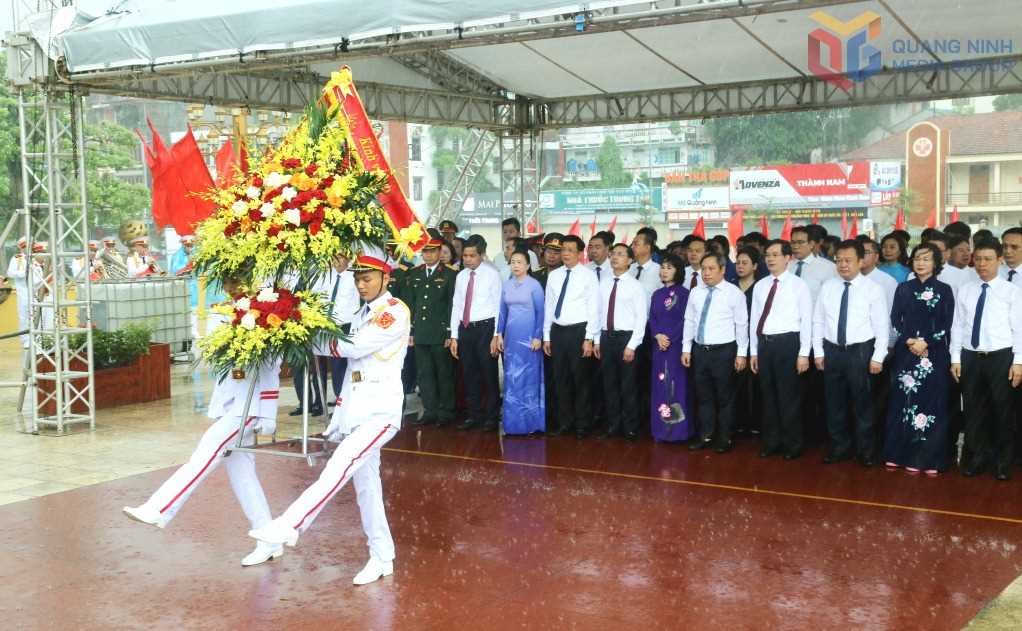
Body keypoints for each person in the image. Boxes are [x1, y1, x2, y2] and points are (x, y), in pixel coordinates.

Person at [250, 248, 410, 585]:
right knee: (367, 488)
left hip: (381, 411)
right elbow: (352, 366)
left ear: (386, 278)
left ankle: (291, 524)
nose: (361, 285)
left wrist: (304, 339)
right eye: (358, 279)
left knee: (340, 465)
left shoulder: (393, 311)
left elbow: (353, 347)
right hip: (359, 411)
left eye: (367, 278)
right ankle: (382, 555)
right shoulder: (363, 312)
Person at [123, 277, 284, 567]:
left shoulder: (266, 314)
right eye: (229, 282)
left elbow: (271, 366)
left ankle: (159, 508)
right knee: (243, 476)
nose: (233, 287)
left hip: (250, 406)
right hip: (231, 404)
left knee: (206, 450)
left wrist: (269, 412)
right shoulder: (223, 312)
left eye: (239, 280)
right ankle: (268, 538)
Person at [813, 240, 889, 467]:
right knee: (834, 404)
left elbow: (882, 326)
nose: (843, 265)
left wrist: (878, 357)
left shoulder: (873, 289)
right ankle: (839, 448)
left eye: (848, 260)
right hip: (832, 351)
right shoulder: (828, 287)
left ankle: (866, 451)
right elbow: (818, 320)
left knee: (863, 404)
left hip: (860, 351)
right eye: (839, 260)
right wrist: (818, 352)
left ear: (861, 261)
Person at [951, 240, 1022, 481]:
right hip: (971, 356)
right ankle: (978, 458)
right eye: (978, 259)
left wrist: (1018, 362)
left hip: (1001, 357)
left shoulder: (1012, 292)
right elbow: (958, 326)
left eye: (988, 259)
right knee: (973, 410)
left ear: (999, 260)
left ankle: (1003, 462)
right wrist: (956, 358)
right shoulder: (966, 290)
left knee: (1003, 411)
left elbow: (1019, 329)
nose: (982, 264)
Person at [882, 242, 955, 476]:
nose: (920, 263)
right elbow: (895, 319)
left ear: (936, 263)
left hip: (934, 355)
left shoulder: (944, 290)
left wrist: (927, 342)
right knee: (903, 402)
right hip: (906, 353)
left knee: (930, 402)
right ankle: (898, 455)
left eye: (926, 259)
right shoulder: (903, 288)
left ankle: (928, 459)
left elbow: (947, 323)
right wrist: (910, 341)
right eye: (917, 258)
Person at [750, 240, 813, 460]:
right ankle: (771, 442)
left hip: (788, 343)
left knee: (789, 397)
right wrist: (754, 351)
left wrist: (804, 353)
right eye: (768, 255)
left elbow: (806, 320)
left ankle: (792, 444)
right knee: (768, 396)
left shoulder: (798, 285)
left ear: (788, 258)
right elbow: (754, 319)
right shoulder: (760, 285)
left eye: (775, 255)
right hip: (765, 344)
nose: (770, 259)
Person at [682, 252, 749, 453]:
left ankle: (725, 437)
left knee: (725, 397)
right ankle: (706, 435)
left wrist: (741, 353)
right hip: (700, 350)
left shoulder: (734, 293)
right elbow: (689, 321)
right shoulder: (695, 292)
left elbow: (741, 325)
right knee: (704, 396)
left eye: (711, 269)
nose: (707, 273)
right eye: (704, 269)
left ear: (723, 270)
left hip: (724, 351)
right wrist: (686, 348)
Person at [543, 235, 599, 438]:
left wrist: (589, 337)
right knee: (560, 379)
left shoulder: (588, 276)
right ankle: (565, 422)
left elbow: (594, 308)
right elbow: (549, 306)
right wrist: (547, 335)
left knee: (581, 380)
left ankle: (582, 424)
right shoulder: (554, 276)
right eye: (563, 250)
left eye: (570, 250)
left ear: (579, 253)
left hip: (579, 332)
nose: (565, 254)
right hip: (558, 331)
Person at [593, 243, 647, 441]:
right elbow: (597, 313)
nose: (615, 257)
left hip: (627, 339)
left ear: (630, 260)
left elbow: (641, 318)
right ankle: (613, 425)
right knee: (609, 384)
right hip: (606, 337)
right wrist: (596, 340)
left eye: (621, 254)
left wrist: (632, 345)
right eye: (613, 254)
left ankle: (630, 427)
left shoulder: (635, 286)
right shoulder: (604, 283)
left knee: (628, 385)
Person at [450, 235, 502, 431]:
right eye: (465, 256)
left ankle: (491, 416)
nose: (468, 259)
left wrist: (496, 335)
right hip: (465, 328)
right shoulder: (461, 276)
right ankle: (474, 415)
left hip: (485, 328)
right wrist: (454, 336)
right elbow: (456, 305)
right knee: (469, 373)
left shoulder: (492, 275)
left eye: (472, 256)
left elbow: (498, 306)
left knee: (488, 373)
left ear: (481, 255)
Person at [406, 230, 457, 427]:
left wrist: (450, 332)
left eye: (432, 251)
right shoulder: (415, 273)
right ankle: (430, 410)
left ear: (439, 251)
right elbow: (412, 304)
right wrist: (411, 331)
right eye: (425, 251)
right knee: (424, 374)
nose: (428, 255)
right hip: (421, 332)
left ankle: (446, 411)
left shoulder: (450, 274)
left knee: (443, 374)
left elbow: (452, 305)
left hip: (440, 332)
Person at [492, 249, 546, 435]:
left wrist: (538, 336)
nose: (515, 265)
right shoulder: (506, 285)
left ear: (528, 265)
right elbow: (502, 312)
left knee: (528, 379)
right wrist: (499, 334)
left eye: (519, 262)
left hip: (529, 339)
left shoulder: (534, 285)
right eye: (513, 262)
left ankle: (531, 424)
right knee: (512, 378)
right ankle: (513, 425)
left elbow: (541, 312)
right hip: (511, 340)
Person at [649, 254, 692, 442]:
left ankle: (679, 432)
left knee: (676, 387)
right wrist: (657, 335)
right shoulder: (656, 294)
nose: (664, 271)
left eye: (669, 268)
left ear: (678, 271)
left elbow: (686, 320)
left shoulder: (685, 294)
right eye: (663, 267)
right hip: (659, 347)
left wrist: (670, 339)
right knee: (660, 386)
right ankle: (661, 431)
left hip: (676, 348)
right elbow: (652, 318)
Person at [732, 246, 763, 435]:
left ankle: (757, 423)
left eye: (745, 263)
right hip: (733, 341)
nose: (740, 266)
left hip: (756, 341)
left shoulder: (761, 287)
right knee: (736, 383)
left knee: (756, 383)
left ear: (755, 266)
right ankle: (739, 422)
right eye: (738, 263)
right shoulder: (730, 286)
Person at [788, 226, 836, 303]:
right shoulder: (785, 267)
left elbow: (831, 299)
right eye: (793, 242)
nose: (795, 246)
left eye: (800, 242)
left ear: (811, 244)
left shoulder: (827, 268)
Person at [630, 231, 662, 299]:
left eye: (636, 244)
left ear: (647, 247)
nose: (632, 247)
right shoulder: (628, 269)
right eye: (632, 244)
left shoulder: (659, 271)